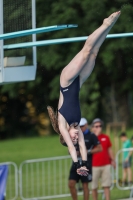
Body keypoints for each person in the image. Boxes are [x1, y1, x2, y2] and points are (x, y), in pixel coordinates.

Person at [47, 11, 121, 175]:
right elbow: (81, 146)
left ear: (63, 136)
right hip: (78, 82)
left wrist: (76, 163)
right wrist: (84, 165)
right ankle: (109, 27)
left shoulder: (63, 124)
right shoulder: (77, 127)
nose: (74, 138)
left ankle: (106, 24)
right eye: (74, 140)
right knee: (94, 54)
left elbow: (74, 150)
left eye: (70, 140)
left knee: (86, 51)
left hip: (66, 81)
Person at [68, 118, 102, 200]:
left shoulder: (91, 135)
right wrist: (72, 152)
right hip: (76, 164)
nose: (81, 128)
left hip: (86, 164)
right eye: (79, 126)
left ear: (86, 125)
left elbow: (100, 148)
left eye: (82, 126)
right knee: (71, 184)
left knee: (85, 185)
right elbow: (69, 148)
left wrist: (88, 151)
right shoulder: (74, 134)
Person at [91, 118, 116, 200]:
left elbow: (109, 149)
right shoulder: (91, 138)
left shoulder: (106, 137)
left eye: (100, 126)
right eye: (96, 126)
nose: (99, 127)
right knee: (94, 186)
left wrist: (113, 160)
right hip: (94, 165)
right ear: (93, 127)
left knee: (106, 185)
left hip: (106, 164)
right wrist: (96, 136)